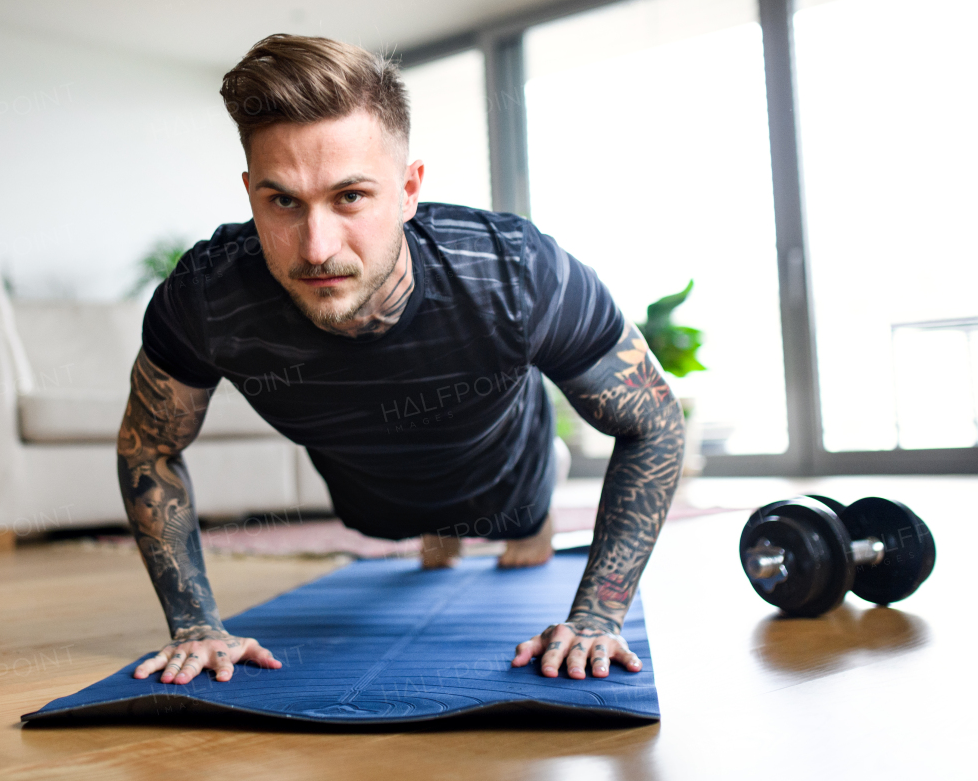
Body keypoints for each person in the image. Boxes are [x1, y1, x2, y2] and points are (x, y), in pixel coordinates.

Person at [116, 34, 685, 688]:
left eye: (351, 196)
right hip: (372, 503)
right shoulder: (205, 298)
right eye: (283, 202)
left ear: (410, 189)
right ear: (250, 194)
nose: (316, 247)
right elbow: (147, 448)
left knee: (521, 524)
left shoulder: (516, 271)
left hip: (505, 477)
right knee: (404, 527)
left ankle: (525, 501)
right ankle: (436, 533)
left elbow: (655, 421)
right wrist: (195, 624)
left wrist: (597, 615)